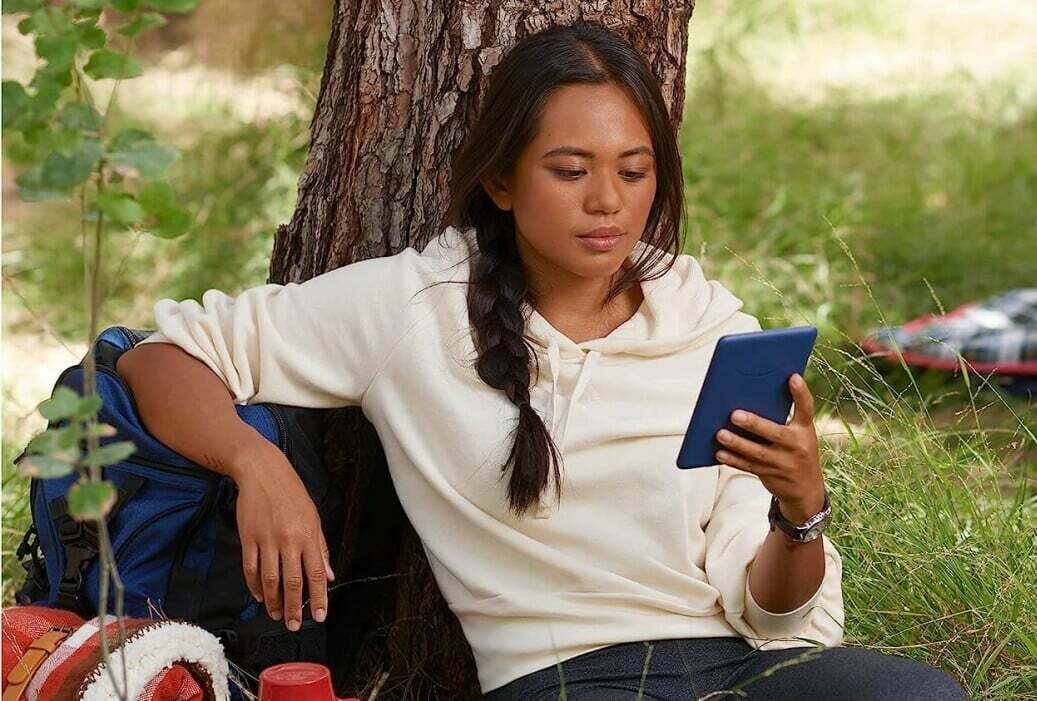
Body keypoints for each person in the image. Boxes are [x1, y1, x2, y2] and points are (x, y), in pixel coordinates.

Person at [117, 20, 966, 701]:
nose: (608, 202)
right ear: (501, 180)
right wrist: (255, 462)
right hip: (565, 675)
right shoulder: (416, 307)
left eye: (634, 172)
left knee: (923, 693)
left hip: (742, 664)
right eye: (570, 170)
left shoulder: (707, 323)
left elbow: (773, 614)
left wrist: (800, 511)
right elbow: (162, 356)